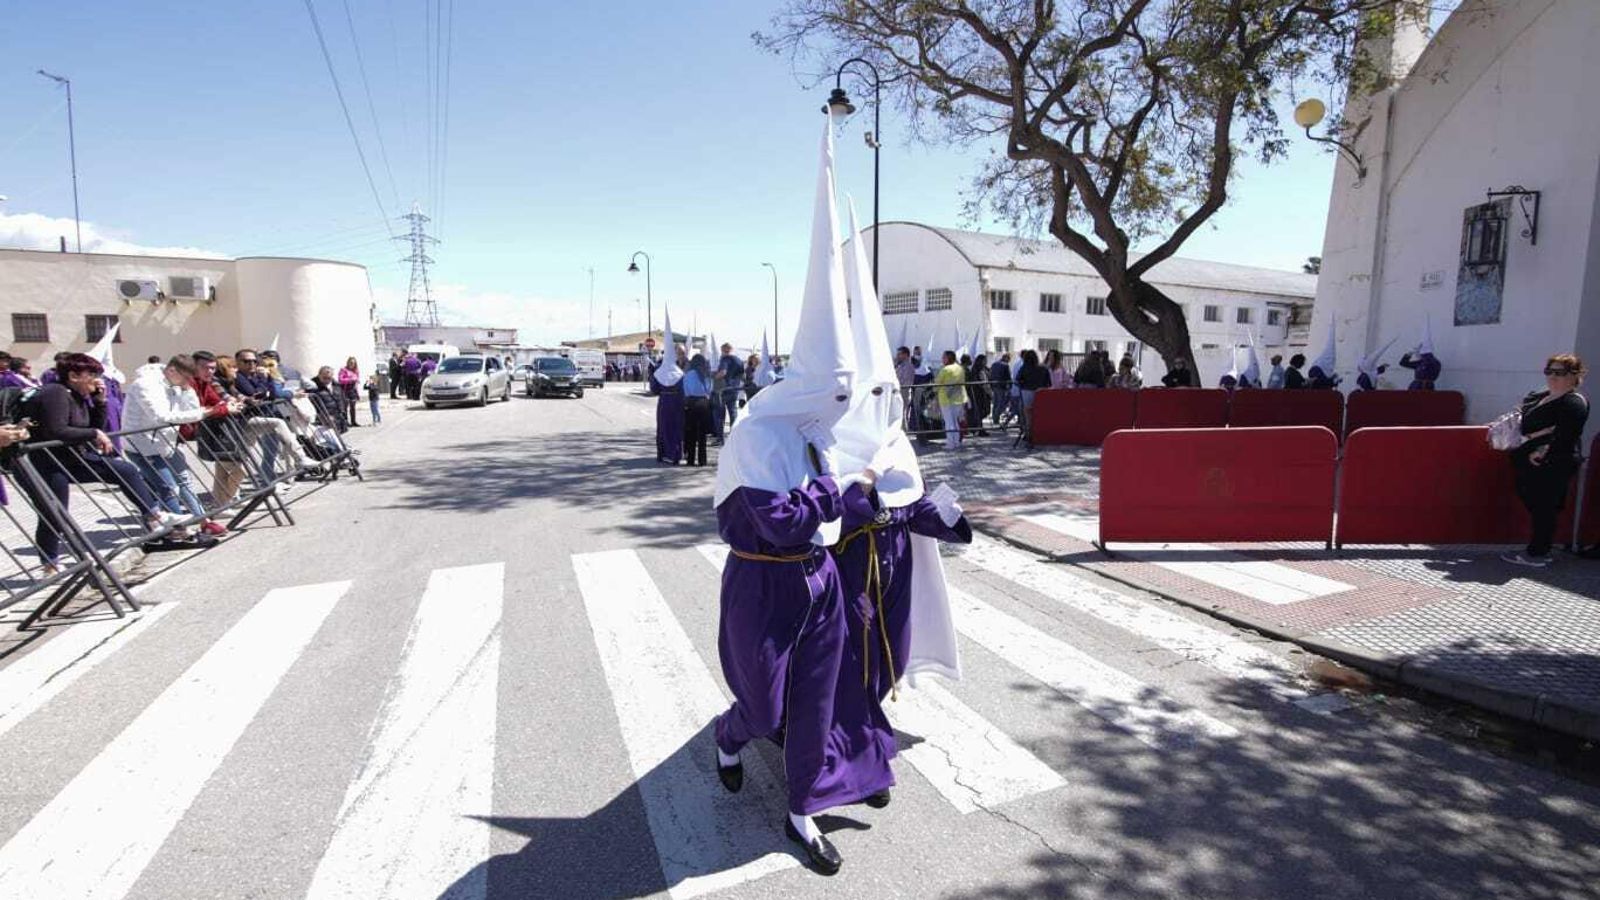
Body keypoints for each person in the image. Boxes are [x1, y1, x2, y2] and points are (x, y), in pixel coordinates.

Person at [19, 353, 184, 571]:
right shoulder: (55, 393)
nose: (98, 379)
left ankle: (154, 516)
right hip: (46, 462)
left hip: (72, 458)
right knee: (54, 514)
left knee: (125, 470)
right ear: (74, 375)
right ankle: (50, 565)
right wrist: (94, 432)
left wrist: (100, 402)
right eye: (93, 374)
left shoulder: (77, 395)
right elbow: (56, 430)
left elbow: (92, 426)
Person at [123, 354, 234, 535]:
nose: (188, 382)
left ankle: (203, 522)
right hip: (142, 445)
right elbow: (161, 417)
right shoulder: (144, 385)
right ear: (172, 370)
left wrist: (186, 390)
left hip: (167, 442)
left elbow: (190, 409)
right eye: (185, 378)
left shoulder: (175, 382)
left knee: (184, 481)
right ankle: (178, 529)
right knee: (168, 487)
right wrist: (205, 412)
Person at [1503, 354, 1589, 568]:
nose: (1552, 377)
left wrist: (1542, 449)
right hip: (1528, 460)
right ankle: (1539, 546)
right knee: (1532, 499)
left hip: (1553, 462)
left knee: (1545, 506)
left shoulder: (1573, 402)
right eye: (1549, 371)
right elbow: (1520, 410)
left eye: (1559, 373)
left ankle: (1538, 552)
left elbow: (1566, 434)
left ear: (1574, 376)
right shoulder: (1541, 395)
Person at [649, 339, 685, 465]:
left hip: (664, 401)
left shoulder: (659, 369)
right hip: (677, 401)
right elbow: (684, 389)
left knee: (664, 427)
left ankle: (662, 454)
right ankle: (675, 454)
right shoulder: (680, 372)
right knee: (676, 427)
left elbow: (654, 389)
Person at [681, 353, 714, 466]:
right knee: (702, 434)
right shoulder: (707, 374)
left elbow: (685, 390)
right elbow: (710, 390)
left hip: (691, 402)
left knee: (691, 432)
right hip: (704, 403)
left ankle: (690, 459)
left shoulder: (688, 374)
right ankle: (702, 460)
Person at [1015, 349, 1052, 446]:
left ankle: (1028, 435)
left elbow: (1018, 380)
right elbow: (1048, 383)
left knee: (1028, 416)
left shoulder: (1024, 368)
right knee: (1039, 415)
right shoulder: (1043, 369)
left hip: (1026, 392)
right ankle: (1039, 434)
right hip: (1040, 393)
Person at [933, 350, 967, 449]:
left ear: (948, 358)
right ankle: (956, 442)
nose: (942, 359)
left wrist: (934, 390)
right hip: (959, 398)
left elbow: (937, 384)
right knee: (955, 421)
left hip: (946, 399)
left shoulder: (945, 370)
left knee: (949, 422)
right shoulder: (960, 368)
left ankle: (951, 443)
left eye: (944, 357)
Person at [717, 343, 745, 431]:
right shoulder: (739, 360)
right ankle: (734, 433)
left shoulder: (725, 359)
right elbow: (743, 376)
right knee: (733, 411)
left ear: (723, 350)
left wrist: (713, 377)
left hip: (724, 388)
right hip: (735, 388)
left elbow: (723, 372)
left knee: (720, 414)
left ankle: (720, 437)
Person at [337, 357, 361, 426]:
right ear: (348, 362)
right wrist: (350, 379)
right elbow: (340, 380)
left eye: (353, 363)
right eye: (350, 362)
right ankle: (345, 422)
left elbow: (357, 380)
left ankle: (353, 421)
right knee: (345, 406)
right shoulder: (343, 370)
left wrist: (356, 383)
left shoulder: (356, 371)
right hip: (345, 389)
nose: (352, 364)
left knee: (353, 407)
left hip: (353, 390)